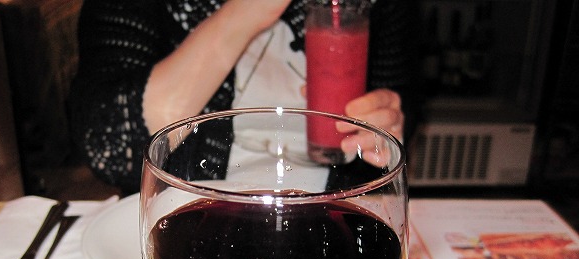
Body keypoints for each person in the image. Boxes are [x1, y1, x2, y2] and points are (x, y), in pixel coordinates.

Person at [69, 0, 420, 194]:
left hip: (325, 221)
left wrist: (383, 132)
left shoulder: (371, 8)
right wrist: (248, 12)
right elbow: (110, 149)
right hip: (188, 221)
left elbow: (386, 143)